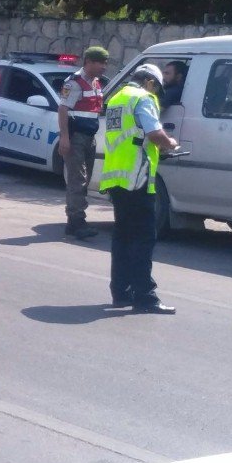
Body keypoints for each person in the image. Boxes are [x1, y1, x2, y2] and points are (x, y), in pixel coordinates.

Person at [100, 63, 179, 314]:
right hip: (138, 177)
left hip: (117, 178)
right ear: (149, 82)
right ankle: (145, 296)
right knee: (144, 238)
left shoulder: (116, 98)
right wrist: (170, 144)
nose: (156, 93)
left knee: (122, 237)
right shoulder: (143, 98)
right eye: (156, 88)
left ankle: (121, 292)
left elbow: (129, 135)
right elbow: (154, 133)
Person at [58, 46, 108, 240]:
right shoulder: (74, 83)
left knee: (84, 180)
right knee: (77, 179)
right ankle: (77, 221)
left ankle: (74, 221)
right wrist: (64, 138)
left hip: (89, 137)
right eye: (100, 63)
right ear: (89, 62)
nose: (104, 67)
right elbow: (63, 109)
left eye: (105, 63)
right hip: (76, 136)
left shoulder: (96, 82)